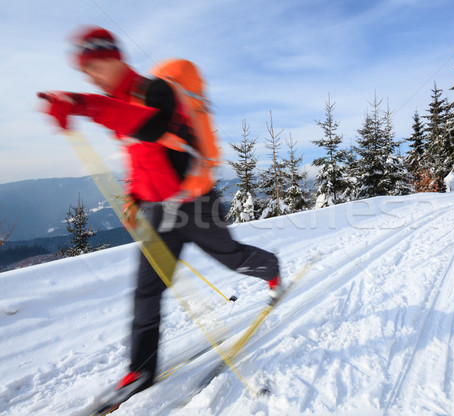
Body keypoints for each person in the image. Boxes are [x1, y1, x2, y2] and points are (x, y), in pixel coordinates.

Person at [38, 26, 281, 398]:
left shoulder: (156, 91)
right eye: (85, 72)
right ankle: (140, 372)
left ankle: (271, 269)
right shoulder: (118, 108)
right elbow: (141, 161)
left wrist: (83, 104)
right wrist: (134, 199)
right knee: (146, 293)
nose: (91, 77)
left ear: (115, 58)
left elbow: (150, 127)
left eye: (95, 67)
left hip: (195, 204)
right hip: (157, 213)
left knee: (232, 258)